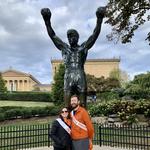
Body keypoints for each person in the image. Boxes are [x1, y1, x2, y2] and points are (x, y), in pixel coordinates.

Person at [41, 7, 105, 108]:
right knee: (66, 105)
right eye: (69, 37)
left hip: (80, 74)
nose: (70, 39)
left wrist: (99, 19)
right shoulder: (64, 48)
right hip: (68, 75)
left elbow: (94, 35)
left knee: (83, 105)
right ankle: (67, 123)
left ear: (77, 38)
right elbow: (53, 35)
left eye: (72, 37)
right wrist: (47, 20)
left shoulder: (83, 47)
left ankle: (82, 122)